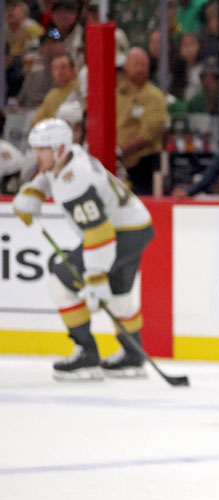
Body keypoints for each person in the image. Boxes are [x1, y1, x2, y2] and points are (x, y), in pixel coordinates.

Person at [12, 118, 155, 380]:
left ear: (58, 149)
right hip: (137, 226)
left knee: (61, 286)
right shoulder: (71, 155)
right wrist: (35, 190)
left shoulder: (75, 182)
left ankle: (86, 354)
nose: (37, 155)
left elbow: (98, 233)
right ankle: (132, 357)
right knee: (119, 295)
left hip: (117, 233)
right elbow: (51, 174)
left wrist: (96, 275)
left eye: (42, 149)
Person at [116, 47, 168, 195]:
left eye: (144, 64)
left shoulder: (154, 96)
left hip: (143, 164)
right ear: (126, 66)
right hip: (116, 164)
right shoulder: (118, 92)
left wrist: (120, 150)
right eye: (136, 64)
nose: (140, 68)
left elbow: (148, 135)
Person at [32, 52, 82, 125]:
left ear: (73, 70)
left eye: (63, 67)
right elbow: (36, 122)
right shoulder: (51, 95)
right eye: (55, 68)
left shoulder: (80, 88)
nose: (59, 72)